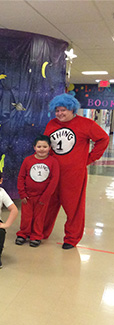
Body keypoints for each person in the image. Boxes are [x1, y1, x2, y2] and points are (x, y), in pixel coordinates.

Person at [43, 93, 109, 249]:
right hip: (52, 173)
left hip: (73, 175)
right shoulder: (51, 124)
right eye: (57, 111)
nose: (60, 114)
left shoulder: (86, 124)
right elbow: (45, 144)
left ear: (72, 109)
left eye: (63, 110)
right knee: (48, 204)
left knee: (74, 208)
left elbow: (103, 139)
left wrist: (90, 158)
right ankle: (41, 233)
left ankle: (71, 238)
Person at [15, 135, 59, 247]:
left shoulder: (53, 162)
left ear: (49, 147)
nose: (42, 149)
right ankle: (23, 233)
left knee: (40, 218)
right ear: (34, 147)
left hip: (42, 198)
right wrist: (22, 193)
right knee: (26, 216)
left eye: (45, 146)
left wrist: (45, 196)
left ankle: (36, 235)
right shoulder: (27, 160)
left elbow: (54, 180)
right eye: (39, 146)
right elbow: (21, 177)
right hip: (28, 196)